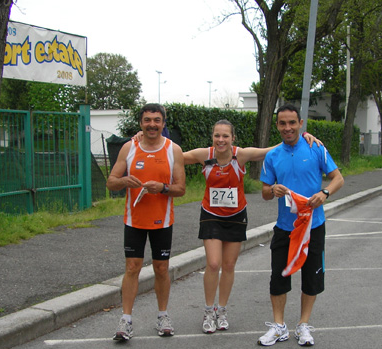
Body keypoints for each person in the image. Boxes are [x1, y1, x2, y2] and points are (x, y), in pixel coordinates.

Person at [135, 121, 321, 334]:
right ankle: (208, 310)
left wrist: (304, 134)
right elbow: (172, 155)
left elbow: (274, 149)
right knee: (213, 264)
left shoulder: (240, 155)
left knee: (229, 265)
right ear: (212, 137)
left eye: (225, 136)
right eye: (217, 136)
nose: (221, 140)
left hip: (235, 215)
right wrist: (147, 137)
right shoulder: (204, 154)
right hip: (211, 215)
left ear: (233, 138)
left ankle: (221, 310)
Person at [258, 104, 344, 347]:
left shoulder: (316, 147)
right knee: (278, 277)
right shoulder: (273, 155)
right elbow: (264, 191)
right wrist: (272, 189)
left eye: (292, 123)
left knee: (311, 278)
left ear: (301, 123)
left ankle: (303, 325)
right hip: (286, 227)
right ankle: (279, 326)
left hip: (313, 226)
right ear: (277, 126)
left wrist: (325, 193)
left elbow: (338, 178)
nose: (288, 128)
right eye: (283, 124)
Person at [106, 103, 186, 341]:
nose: (152, 124)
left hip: (162, 221)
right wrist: (123, 182)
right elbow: (111, 182)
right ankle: (126, 319)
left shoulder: (174, 150)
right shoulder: (129, 148)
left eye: (157, 120)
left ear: (163, 123)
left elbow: (181, 189)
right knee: (132, 268)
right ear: (141, 123)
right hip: (134, 220)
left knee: (161, 268)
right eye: (148, 120)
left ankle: (163, 315)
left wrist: (162, 188)